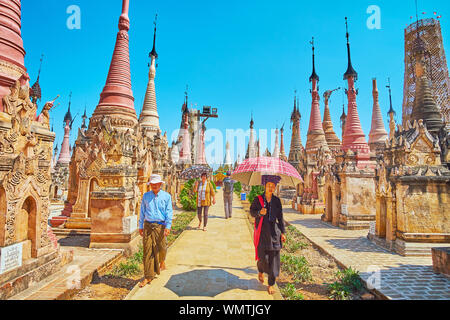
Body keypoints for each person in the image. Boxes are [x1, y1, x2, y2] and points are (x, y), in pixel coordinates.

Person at [250, 175, 286, 295]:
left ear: (275, 187)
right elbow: (252, 212)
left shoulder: (277, 201)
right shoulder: (258, 199)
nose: (271, 188)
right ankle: (260, 270)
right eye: (268, 186)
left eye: (273, 186)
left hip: (274, 233)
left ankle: (271, 283)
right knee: (263, 258)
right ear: (265, 186)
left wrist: (283, 232)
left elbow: (280, 218)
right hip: (262, 233)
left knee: (274, 259)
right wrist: (260, 212)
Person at [138, 174, 173, 288]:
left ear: (160, 184)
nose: (154, 186)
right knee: (147, 251)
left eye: (156, 184)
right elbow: (142, 211)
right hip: (148, 226)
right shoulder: (146, 196)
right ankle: (148, 276)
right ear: (150, 185)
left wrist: (168, 226)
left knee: (162, 248)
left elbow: (169, 212)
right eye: (152, 184)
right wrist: (140, 226)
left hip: (160, 226)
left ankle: (162, 261)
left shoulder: (166, 196)